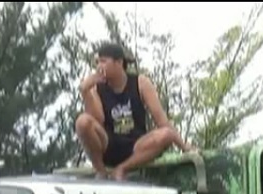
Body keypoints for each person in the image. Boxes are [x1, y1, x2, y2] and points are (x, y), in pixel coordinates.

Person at [74, 41, 192, 180]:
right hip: (109, 144)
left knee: (166, 134)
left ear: (118, 62)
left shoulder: (140, 82)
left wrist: (183, 146)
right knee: (82, 121)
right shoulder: (96, 87)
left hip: (137, 146)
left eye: (103, 61)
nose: (99, 66)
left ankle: (122, 169)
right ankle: (100, 171)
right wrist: (85, 92)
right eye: (97, 62)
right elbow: (96, 120)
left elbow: (162, 121)